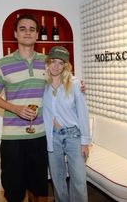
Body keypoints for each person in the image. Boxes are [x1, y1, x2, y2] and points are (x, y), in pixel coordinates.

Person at [0, 14, 48, 202]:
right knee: (13, 187)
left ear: (37, 34)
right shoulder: (2, 64)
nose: (27, 32)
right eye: (22, 29)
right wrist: (16, 108)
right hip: (12, 137)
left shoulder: (47, 62)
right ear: (15, 33)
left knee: (37, 185)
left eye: (32, 29)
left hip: (40, 134)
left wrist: (78, 86)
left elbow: (62, 87)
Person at [43, 46, 91, 202]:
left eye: (60, 62)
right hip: (52, 136)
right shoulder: (42, 85)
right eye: (53, 61)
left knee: (78, 180)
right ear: (48, 63)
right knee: (57, 179)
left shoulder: (75, 83)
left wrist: (85, 142)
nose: (56, 66)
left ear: (65, 65)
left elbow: (83, 113)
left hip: (73, 136)